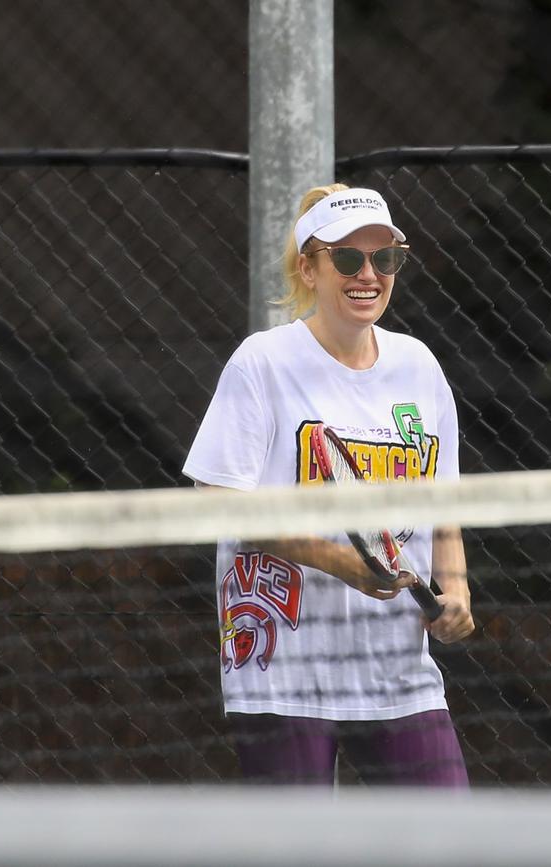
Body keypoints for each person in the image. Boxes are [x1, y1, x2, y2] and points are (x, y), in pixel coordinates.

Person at [183, 183, 474, 786]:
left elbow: (443, 501)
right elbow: (218, 506)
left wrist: (458, 588)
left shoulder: (419, 365)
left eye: (384, 258)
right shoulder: (261, 363)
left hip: (398, 674)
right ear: (309, 268)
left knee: (450, 846)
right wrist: (341, 562)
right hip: (284, 674)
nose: (368, 274)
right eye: (347, 258)